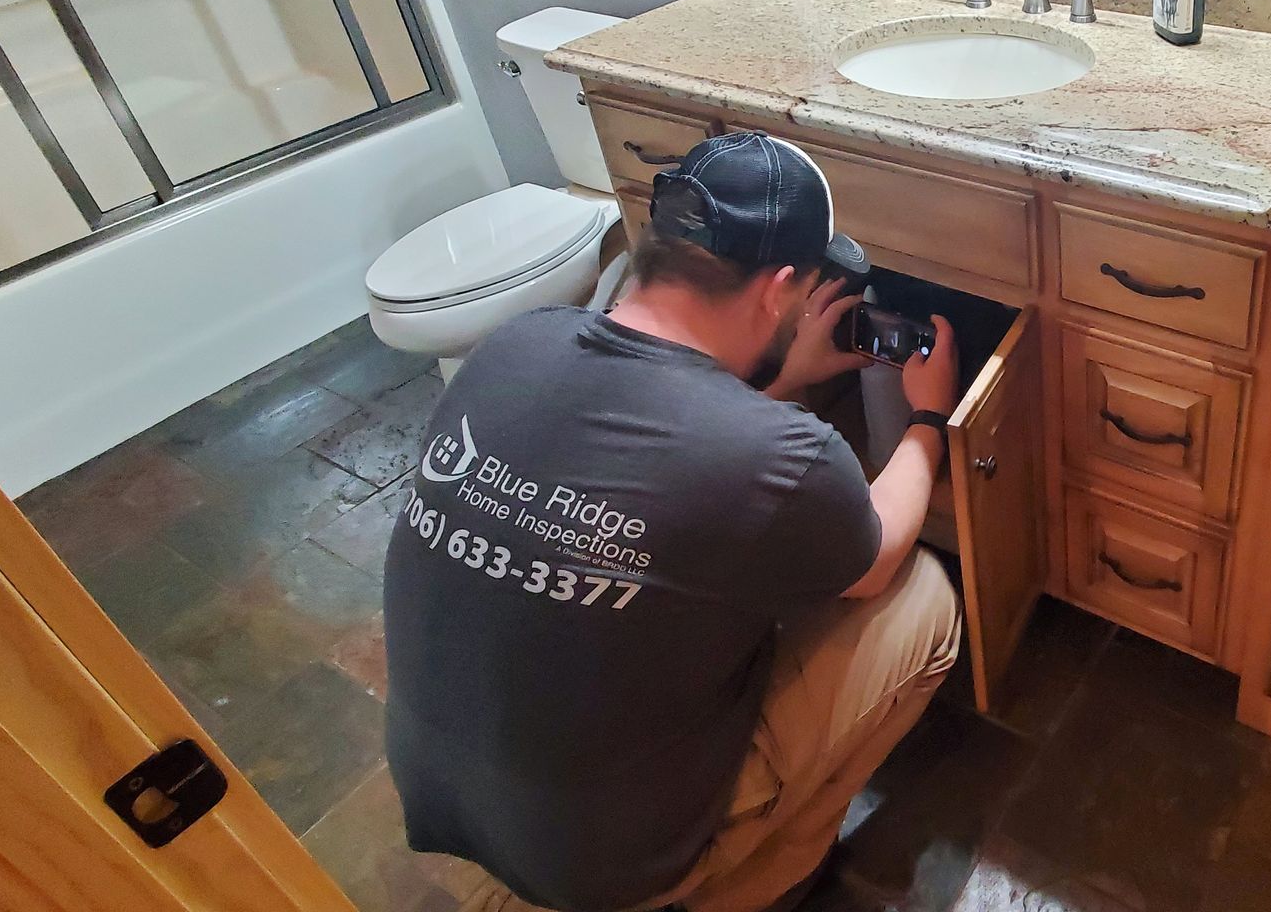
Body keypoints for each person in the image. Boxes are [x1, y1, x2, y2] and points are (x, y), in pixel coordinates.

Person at [382, 130, 964, 912]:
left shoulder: (516, 343)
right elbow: (880, 553)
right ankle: (756, 879)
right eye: (800, 296)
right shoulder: (783, 456)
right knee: (925, 598)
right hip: (608, 867)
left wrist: (786, 376)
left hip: (446, 803)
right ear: (778, 288)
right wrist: (931, 414)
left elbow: (665, 462)